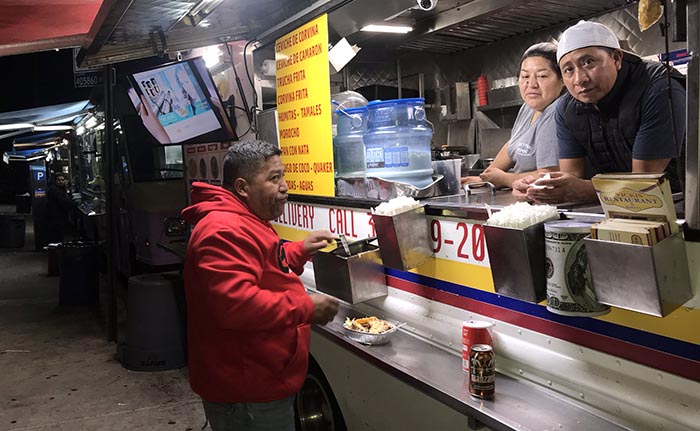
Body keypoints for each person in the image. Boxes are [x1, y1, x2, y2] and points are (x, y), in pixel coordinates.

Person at [181, 140, 339, 431]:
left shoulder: (247, 218)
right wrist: (306, 307)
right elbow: (236, 306)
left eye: (283, 176)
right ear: (242, 187)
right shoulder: (223, 231)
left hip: (263, 377)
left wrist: (298, 250)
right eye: (274, 178)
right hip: (246, 391)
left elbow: (264, 262)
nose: (285, 187)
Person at [513, 20, 686, 203]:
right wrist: (541, 188)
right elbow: (571, 175)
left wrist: (583, 190)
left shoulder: (658, 89)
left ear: (616, 59)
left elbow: (644, 182)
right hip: (618, 208)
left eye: (588, 62)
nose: (579, 79)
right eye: (568, 69)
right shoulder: (567, 108)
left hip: (685, 205)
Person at [461, 42, 564, 188]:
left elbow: (550, 176)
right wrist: (485, 177)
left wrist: (504, 179)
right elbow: (514, 145)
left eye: (541, 76)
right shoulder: (527, 108)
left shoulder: (557, 111)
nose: (531, 84)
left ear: (562, 80)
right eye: (525, 76)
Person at [46, 172, 74, 244]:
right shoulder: (55, 190)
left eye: (62, 180)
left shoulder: (57, 189)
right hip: (56, 216)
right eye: (59, 180)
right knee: (57, 236)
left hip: (56, 215)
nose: (61, 181)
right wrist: (74, 204)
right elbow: (62, 202)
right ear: (55, 181)